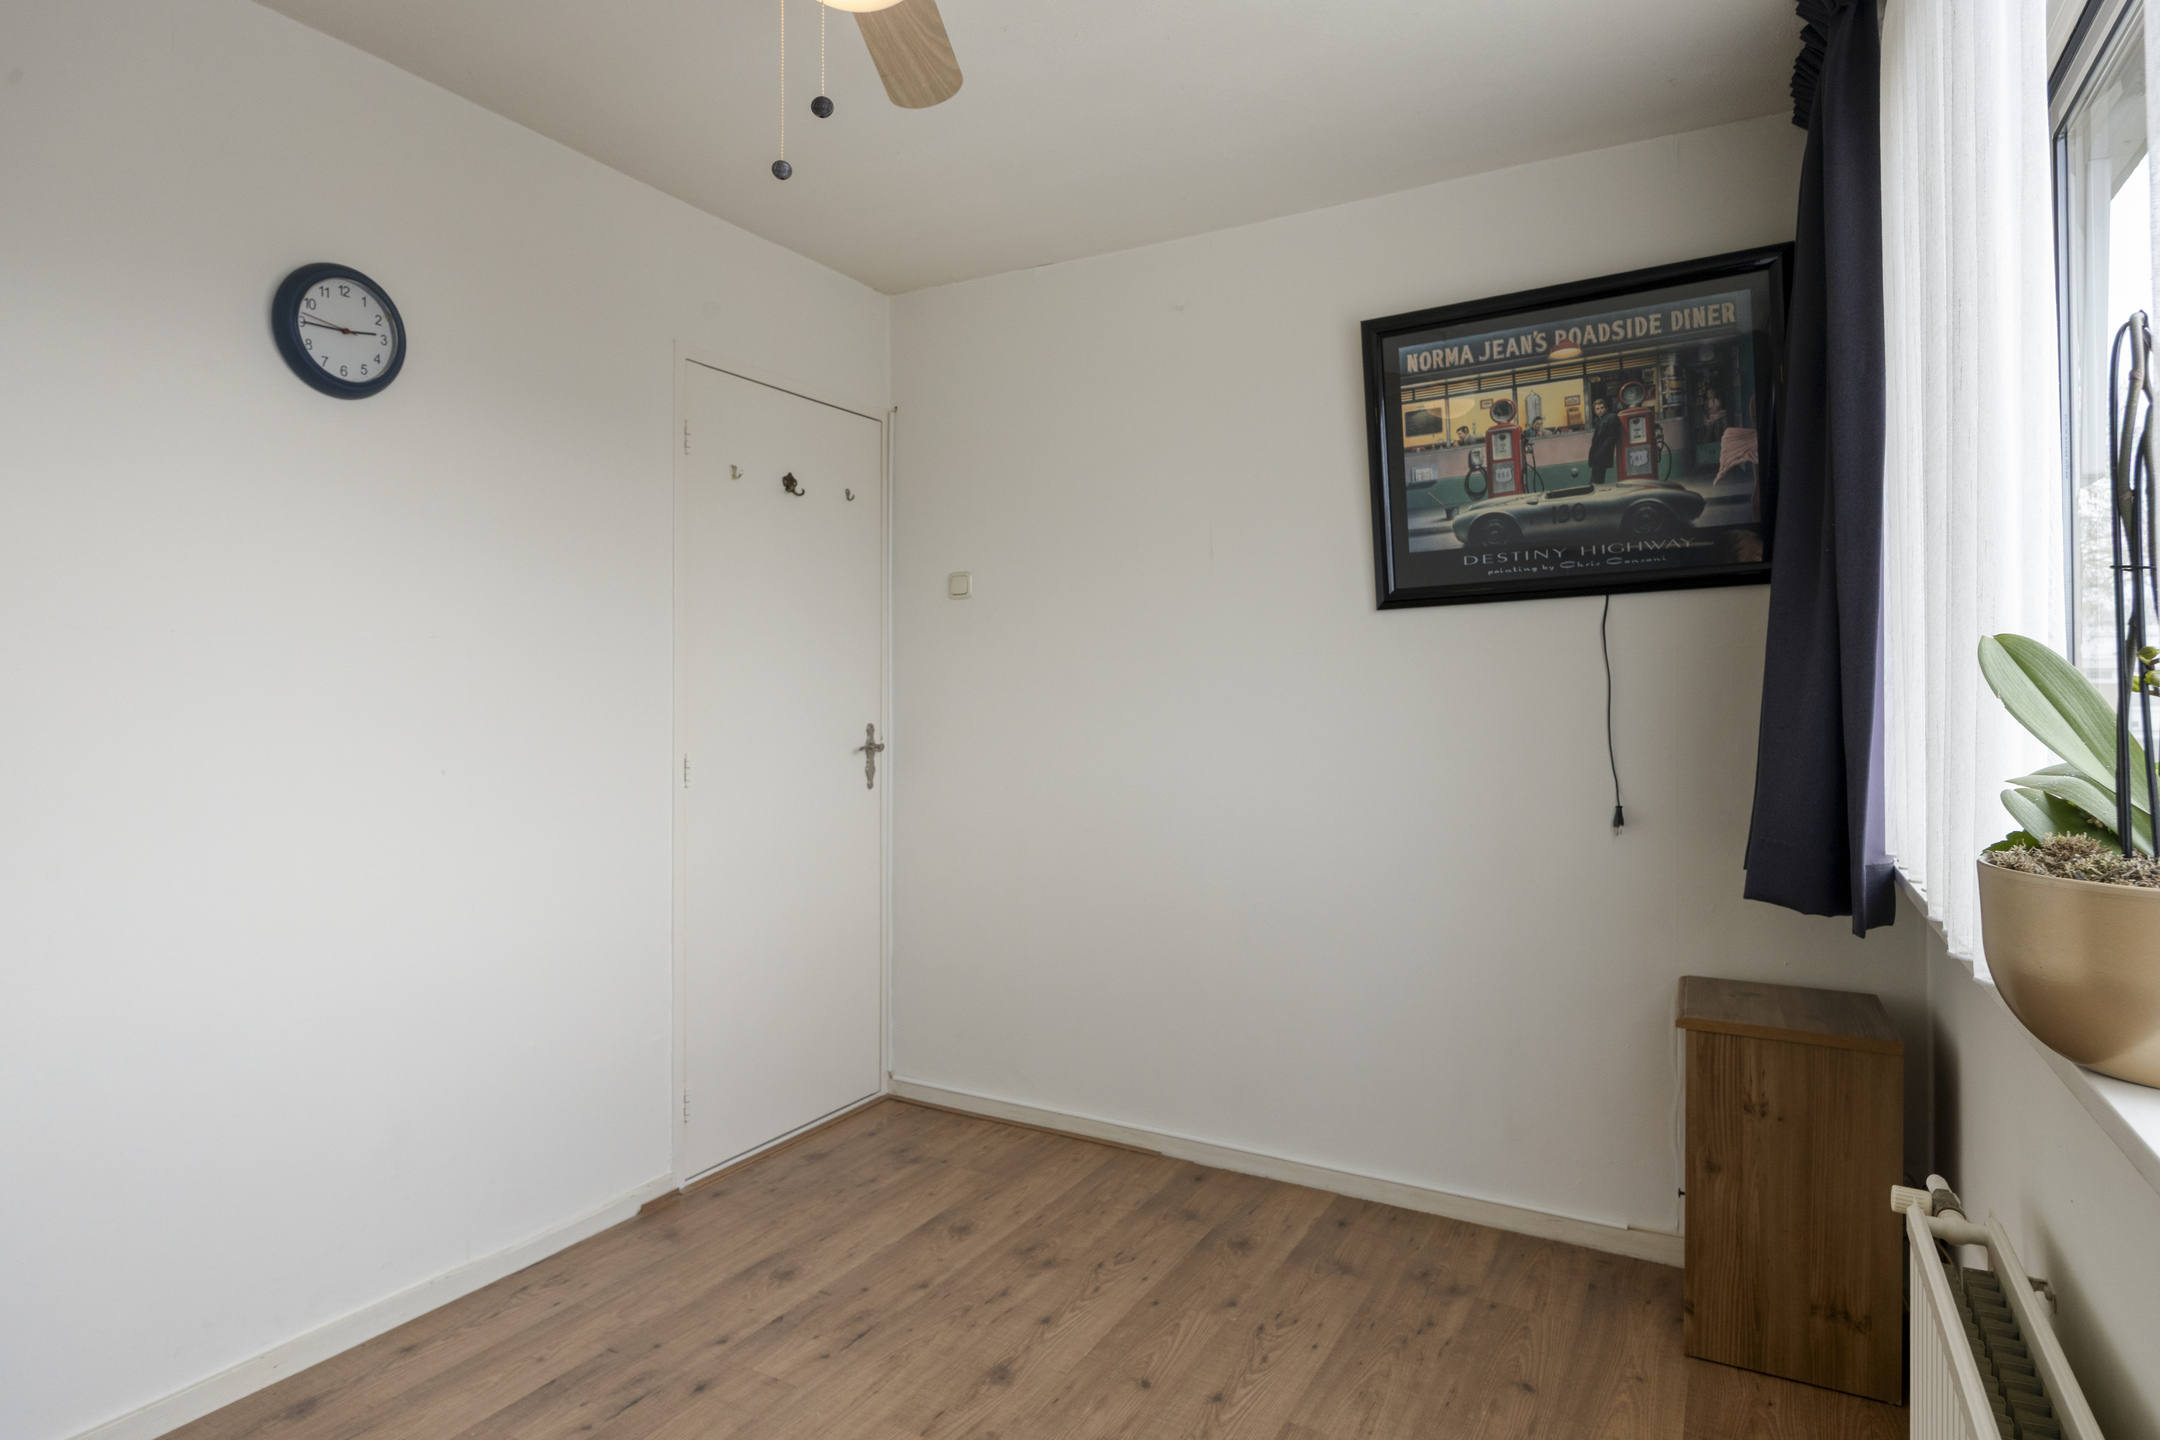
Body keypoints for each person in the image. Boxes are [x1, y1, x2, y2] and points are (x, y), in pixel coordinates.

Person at [1587, 396, 1619, 485]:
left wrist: (1600, 451)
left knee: (1596, 479)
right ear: (1595, 411)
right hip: (1598, 454)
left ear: (1606, 408)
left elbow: (1611, 437)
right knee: (1597, 478)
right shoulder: (1598, 420)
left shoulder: (1611, 418)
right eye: (1597, 409)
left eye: (1602, 408)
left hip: (1602, 453)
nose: (1600, 410)